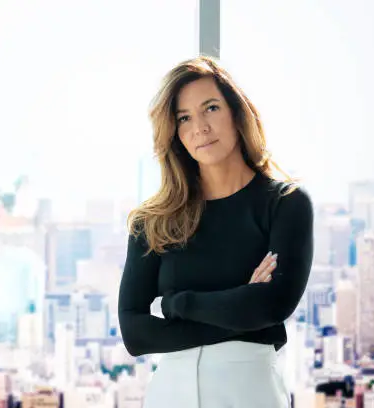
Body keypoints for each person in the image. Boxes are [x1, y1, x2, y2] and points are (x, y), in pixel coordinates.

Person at [118, 55, 314, 407]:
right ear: (175, 133)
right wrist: (239, 309)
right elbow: (135, 334)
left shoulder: (285, 204)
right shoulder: (152, 221)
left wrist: (178, 303)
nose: (200, 128)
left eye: (210, 108)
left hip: (249, 392)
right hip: (169, 394)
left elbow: (271, 305)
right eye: (184, 118)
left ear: (237, 113)